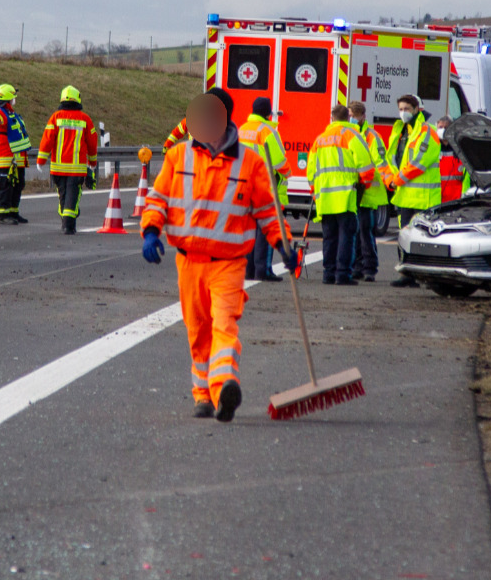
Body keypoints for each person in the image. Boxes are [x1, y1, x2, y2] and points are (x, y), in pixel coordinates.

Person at [140, 92, 295, 423]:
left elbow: (268, 211)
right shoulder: (178, 157)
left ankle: (225, 385)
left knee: (224, 323)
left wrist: (284, 245)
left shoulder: (249, 163)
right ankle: (204, 397)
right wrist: (150, 229)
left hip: (228, 264)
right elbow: (158, 197)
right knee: (198, 332)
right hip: (188, 261)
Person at [306, 104, 374, 286]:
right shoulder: (352, 135)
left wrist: (314, 190)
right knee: (347, 235)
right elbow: (366, 165)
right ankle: (342, 274)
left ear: (333, 118)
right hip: (345, 195)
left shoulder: (320, 139)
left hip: (325, 197)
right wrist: (365, 184)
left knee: (329, 236)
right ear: (347, 118)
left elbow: (310, 169)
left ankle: (328, 274)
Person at [385, 95, 441, 287]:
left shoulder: (427, 131)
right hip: (404, 195)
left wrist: (397, 179)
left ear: (417, 109)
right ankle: (407, 274)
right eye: (401, 108)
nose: (403, 112)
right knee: (404, 237)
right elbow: (390, 157)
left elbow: (419, 162)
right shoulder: (401, 130)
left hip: (422, 198)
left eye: (407, 108)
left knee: (424, 240)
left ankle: (426, 276)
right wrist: (389, 178)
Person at [35, 85, 98, 235]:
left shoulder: (55, 117)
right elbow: (92, 143)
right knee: (72, 195)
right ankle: (69, 225)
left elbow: (47, 139)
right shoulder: (85, 119)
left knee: (63, 194)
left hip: (58, 168)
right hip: (76, 169)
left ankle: (66, 220)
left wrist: (41, 160)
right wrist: (92, 163)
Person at [239, 96, 289, 281]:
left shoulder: (242, 129)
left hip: (244, 187)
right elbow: (278, 162)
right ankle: (264, 269)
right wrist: (288, 172)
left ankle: (249, 270)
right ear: (268, 113)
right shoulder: (268, 131)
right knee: (265, 230)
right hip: (264, 187)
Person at [349, 100, 387, 282]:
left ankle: (370, 268)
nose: (352, 119)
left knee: (366, 231)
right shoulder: (348, 134)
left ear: (363, 117)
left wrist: (388, 180)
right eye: (349, 116)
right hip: (353, 190)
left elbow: (380, 161)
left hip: (368, 190)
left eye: (354, 116)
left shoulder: (372, 136)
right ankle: (357, 267)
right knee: (355, 231)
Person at [0, 83, 31, 224]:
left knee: (17, 185)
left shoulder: (12, 113)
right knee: (5, 187)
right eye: (13, 97)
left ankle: (13, 212)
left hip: (15, 160)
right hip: (3, 158)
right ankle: (4, 215)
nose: (14, 99)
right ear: (7, 99)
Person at [436, 115, 467, 203]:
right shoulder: (434, 146)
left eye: (446, 127)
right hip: (438, 197)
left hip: (456, 197)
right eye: (440, 127)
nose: (443, 129)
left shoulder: (460, 148)